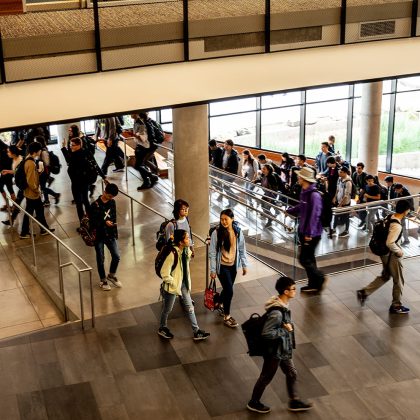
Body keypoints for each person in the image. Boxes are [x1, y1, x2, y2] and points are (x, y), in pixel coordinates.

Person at [247, 276, 313, 414]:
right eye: (293, 289)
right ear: (286, 291)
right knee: (266, 377)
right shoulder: (277, 313)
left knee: (291, 373)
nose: (295, 291)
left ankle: (294, 401)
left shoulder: (283, 306)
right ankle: (254, 402)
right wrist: (285, 330)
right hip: (274, 352)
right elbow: (267, 333)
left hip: (282, 349)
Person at [357, 200, 411, 314]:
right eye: (408, 209)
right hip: (391, 255)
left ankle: (364, 292)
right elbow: (390, 243)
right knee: (399, 280)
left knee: (386, 275)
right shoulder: (397, 225)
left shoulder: (390, 216)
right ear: (405, 211)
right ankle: (396, 305)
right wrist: (399, 251)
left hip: (383, 253)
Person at [158, 229, 210, 341]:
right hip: (172, 287)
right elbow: (164, 273)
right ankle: (162, 327)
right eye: (187, 238)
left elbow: (187, 260)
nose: (189, 239)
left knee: (190, 308)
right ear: (181, 242)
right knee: (167, 309)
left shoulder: (185, 251)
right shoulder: (172, 254)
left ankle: (196, 331)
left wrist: (189, 249)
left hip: (183, 284)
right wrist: (173, 282)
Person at [287, 167, 327, 293]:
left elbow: (315, 215)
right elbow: (302, 206)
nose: (298, 178)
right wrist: (291, 210)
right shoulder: (304, 192)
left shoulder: (314, 195)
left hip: (312, 233)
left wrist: (309, 233)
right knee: (309, 259)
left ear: (304, 179)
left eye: (299, 176)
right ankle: (314, 284)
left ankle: (320, 278)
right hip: (303, 230)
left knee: (304, 259)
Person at [209, 209, 248, 328]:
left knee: (227, 289)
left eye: (226, 219)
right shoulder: (216, 233)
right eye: (221, 219)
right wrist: (213, 270)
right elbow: (212, 252)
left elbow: (242, 249)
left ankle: (219, 301)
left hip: (233, 267)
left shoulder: (238, 231)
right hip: (222, 267)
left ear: (232, 219)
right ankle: (227, 316)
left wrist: (244, 265)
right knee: (230, 291)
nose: (223, 221)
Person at [61, 137, 107, 225]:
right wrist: (103, 176)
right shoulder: (86, 152)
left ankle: (83, 223)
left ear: (79, 145)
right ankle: (91, 220)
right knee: (86, 201)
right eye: (70, 145)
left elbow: (68, 160)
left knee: (79, 204)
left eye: (73, 145)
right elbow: (95, 164)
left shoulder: (75, 155)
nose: (71, 147)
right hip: (85, 182)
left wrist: (63, 148)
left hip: (76, 183)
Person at [89, 183, 122, 291]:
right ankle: (103, 280)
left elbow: (114, 217)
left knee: (116, 256)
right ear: (105, 192)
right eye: (109, 196)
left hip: (110, 234)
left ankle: (111, 275)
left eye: (112, 197)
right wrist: (104, 223)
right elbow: (92, 223)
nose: (111, 198)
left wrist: (114, 230)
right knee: (100, 259)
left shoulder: (112, 202)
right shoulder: (95, 205)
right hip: (99, 236)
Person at [19, 142, 55, 239]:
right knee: (34, 211)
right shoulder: (30, 163)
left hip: (29, 192)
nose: (41, 152)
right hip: (32, 193)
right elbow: (30, 181)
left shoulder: (28, 159)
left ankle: (43, 229)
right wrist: (37, 190)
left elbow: (31, 177)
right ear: (36, 151)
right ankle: (27, 232)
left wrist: (38, 173)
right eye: (39, 150)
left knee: (37, 211)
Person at [34, 135, 60, 207]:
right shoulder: (40, 150)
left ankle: (55, 194)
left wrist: (39, 163)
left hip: (44, 172)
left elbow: (47, 163)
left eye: (35, 141)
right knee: (43, 186)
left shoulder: (43, 151)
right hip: (42, 172)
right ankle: (47, 200)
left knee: (42, 187)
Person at [1, 145, 23, 226]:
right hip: (21, 186)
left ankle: (12, 221)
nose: (7, 153)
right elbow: (15, 171)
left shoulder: (20, 160)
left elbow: (19, 172)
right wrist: (7, 171)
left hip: (24, 186)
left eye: (8, 152)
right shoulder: (14, 159)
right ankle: (11, 220)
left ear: (13, 153)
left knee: (32, 207)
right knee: (18, 203)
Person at [332, 167, 352, 238]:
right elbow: (337, 189)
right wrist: (335, 197)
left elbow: (346, 195)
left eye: (340, 172)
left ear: (345, 173)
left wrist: (340, 204)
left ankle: (346, 231)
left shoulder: (348, 182)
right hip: (339, 201)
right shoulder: (339, 179)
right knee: (336, 215)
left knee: (346, 217)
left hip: (345, 203)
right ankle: (333, 229)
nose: (339, 173)